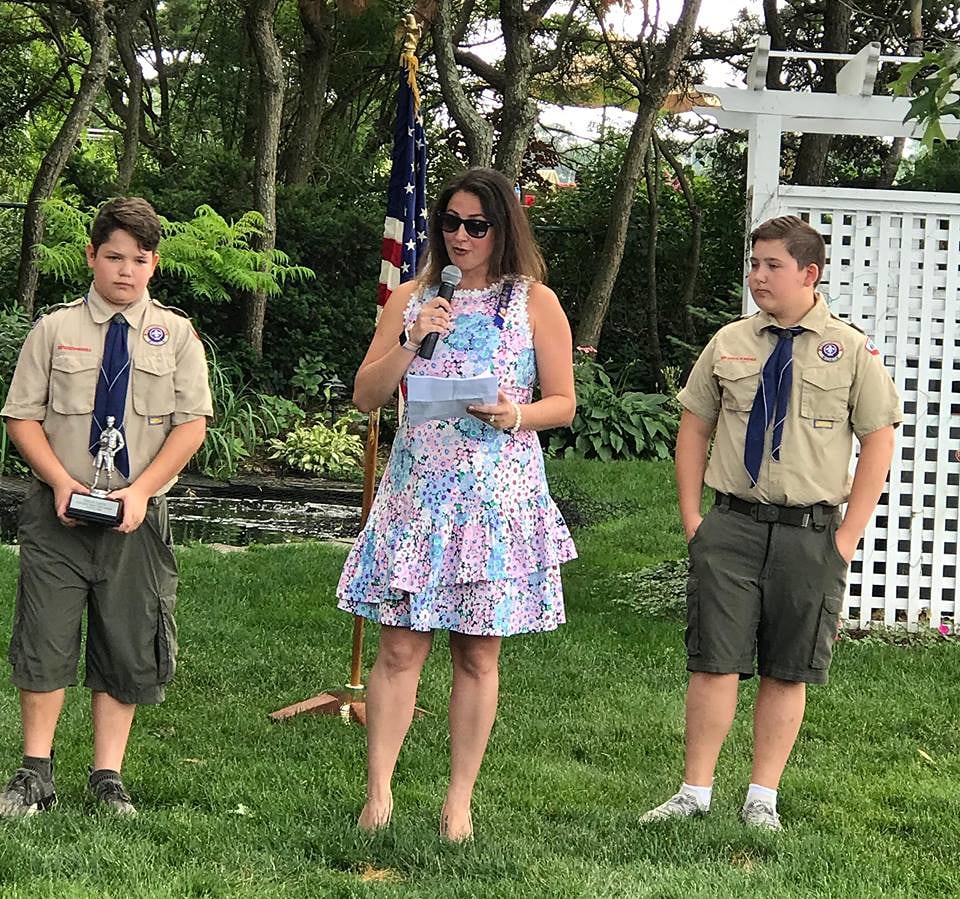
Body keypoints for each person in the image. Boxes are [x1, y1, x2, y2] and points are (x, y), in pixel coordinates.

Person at [337, 167, 577, 841]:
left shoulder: (534, 302)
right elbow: (366, 395)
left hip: (494, 500)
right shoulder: (412, 298)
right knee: (399, 648)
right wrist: (411, 340)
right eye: (449, 223)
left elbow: (563, 402)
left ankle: (458, 802)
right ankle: (378, 795)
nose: (461, 236)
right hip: (419, 496)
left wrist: (515, 414)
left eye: (476, 225)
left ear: (503, 229)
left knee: (477, 654)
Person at [641, 215, 901, 831]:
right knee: (713, 660)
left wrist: (847, 537)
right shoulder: (730, 342)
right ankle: (694, 792)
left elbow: (879, 440)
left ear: (809, 274)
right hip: (731, 526)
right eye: (753, 264)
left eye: (772, 266)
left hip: (810, 533)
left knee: (788, 667)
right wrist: (693, 518)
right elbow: (694, 428)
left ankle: (762, 796)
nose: (758, 276)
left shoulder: (851, 350)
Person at [0, 197, 213, 816]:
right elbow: (21, 416)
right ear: (92, 256)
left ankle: (107, 777)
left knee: (126, 641)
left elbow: (191, 425)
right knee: (44, 636)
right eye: (114, 257)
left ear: (154, 264)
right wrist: (59, 483)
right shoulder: (54, 330)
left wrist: (141, 492)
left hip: (136, 517)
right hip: (57, 512)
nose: (126, 270)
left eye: (139, 260)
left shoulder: (176, 335)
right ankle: (35, 772)